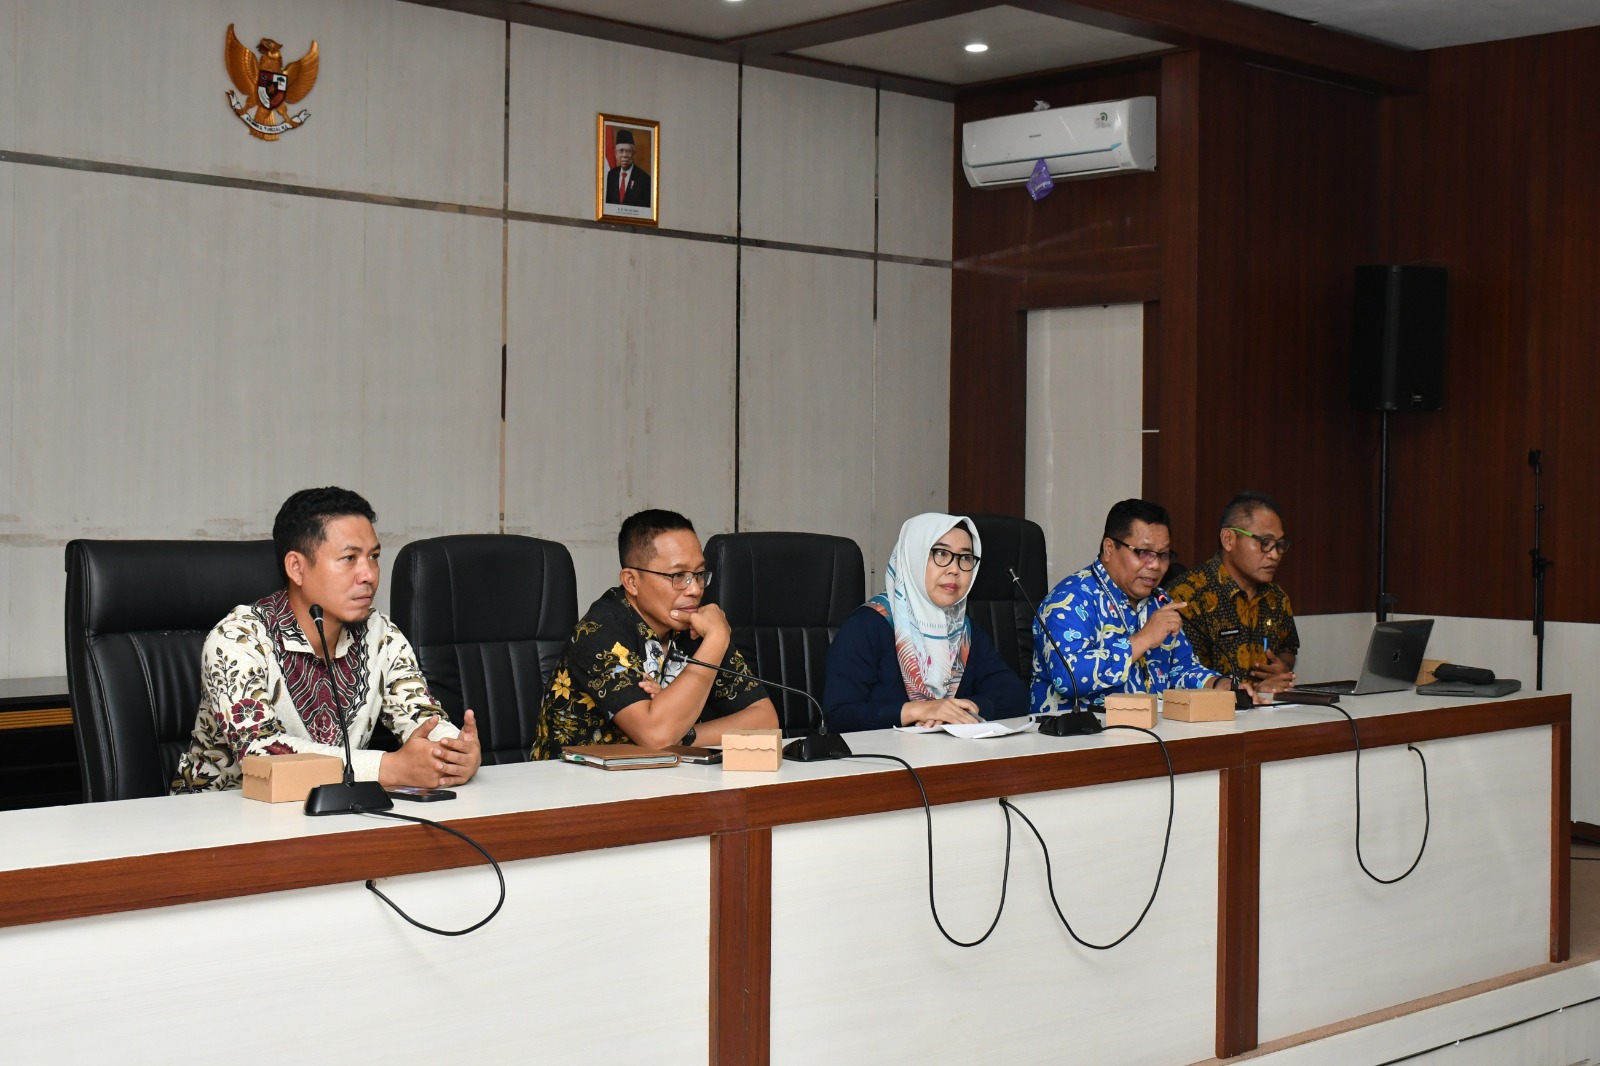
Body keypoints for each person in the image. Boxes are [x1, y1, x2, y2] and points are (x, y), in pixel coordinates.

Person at [172, 487, 481, 793]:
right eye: (349, 558)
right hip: (221, 814)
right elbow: (259, 752)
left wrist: (453, 752)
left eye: (373, 557)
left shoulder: (381, 633)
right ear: (297, 568)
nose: (369, 575)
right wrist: (389, 768)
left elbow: (420, 715)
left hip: (331, 812)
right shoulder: (237, 639)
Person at [531, 509, 778, 759]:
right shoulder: (599, 632)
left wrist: (683, 733)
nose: (694, 589)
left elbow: (765, 721)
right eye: (678, 576)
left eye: (698, 575)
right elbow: (657, 736)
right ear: (632, 581)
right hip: (572, 779)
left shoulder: (695, 625)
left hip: (662, 775)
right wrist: (717, 640)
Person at [1031, 498, 1241, 712]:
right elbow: (1069, 678)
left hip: (1154, 727)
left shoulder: (1159, 601)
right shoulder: (1068, 600)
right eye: (1143, 552)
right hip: (1080, 730)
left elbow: (1181, 669)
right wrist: (1144, 639)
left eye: (1163, 555)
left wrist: (1217, 684)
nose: (1156, 565)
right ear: (1109, 549)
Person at [824, 514, 1029, 732]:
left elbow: (1016, 696)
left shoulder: (963, 631)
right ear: (914, 557)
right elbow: (839, 715)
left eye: (965, 557)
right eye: (941, 553)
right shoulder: (866, 626)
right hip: (882, 752)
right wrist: (918, 711)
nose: (955, 569)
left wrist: (967, 709)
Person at [1168, 491, 1299, 687]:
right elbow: (1180, 675)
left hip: (1270, 706)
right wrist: (1248, 692)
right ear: (1228, 539)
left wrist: (1282, 668)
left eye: (1279, 545)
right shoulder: (1188, 596)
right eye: (1265, 543)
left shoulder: (1276, 597)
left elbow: (1288, 648)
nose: (1274, 555)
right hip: (1211, 706)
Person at [603, 129, 652, 207]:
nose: (624, 155)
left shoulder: (644, 179)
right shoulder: (611, 175)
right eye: (621, 151)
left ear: (634, 154)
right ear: (615, 153)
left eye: (628, 151)